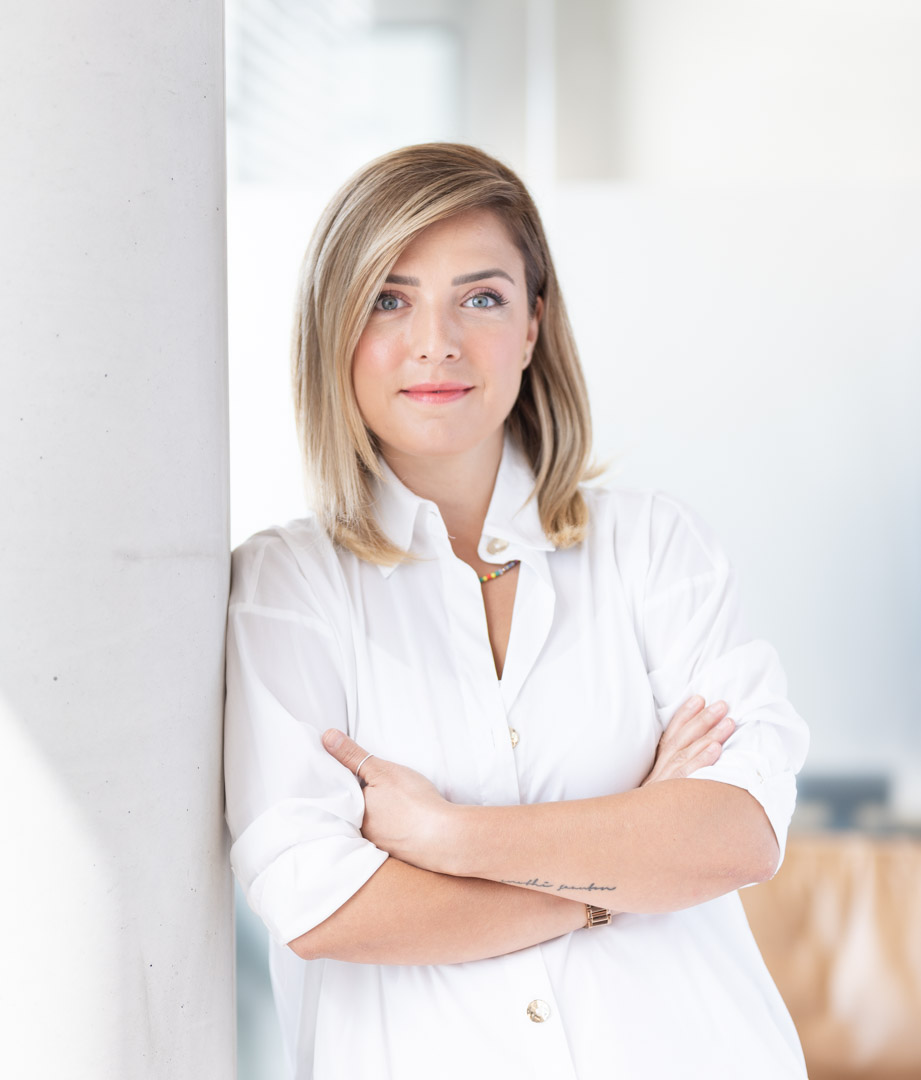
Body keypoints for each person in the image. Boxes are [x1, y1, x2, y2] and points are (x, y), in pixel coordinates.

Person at [223, 143, 809, 1079]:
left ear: (534, 324)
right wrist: (623, 864)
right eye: (389, 296)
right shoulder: (284, 589)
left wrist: (453, 840)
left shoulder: (655, 549)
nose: (436, 341)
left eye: (482, 297)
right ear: (333, 327)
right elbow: (327, 908)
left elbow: (739, 834)